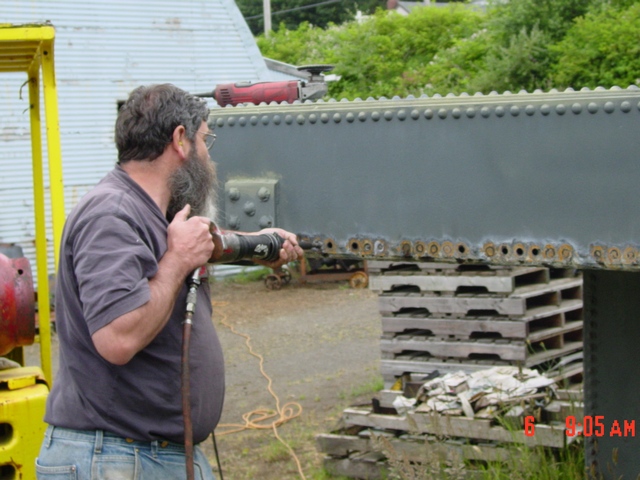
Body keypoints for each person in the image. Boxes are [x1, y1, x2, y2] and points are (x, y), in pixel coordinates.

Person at [35, 83, 303, 479]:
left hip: (145, 455)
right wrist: (178, 260)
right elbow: (118, 338)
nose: (209, 155)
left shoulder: (152, 214)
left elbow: (200, 245)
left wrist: (261, 245)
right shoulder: (111, 213)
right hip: (114, 455)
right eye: (204, 140)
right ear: (180, 140)